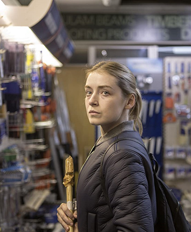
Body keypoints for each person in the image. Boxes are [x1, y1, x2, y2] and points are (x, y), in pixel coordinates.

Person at [57, 61, 157, 232]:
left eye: (105, 92)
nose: (92, 101)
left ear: (129, 101)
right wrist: (79, 215)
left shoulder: (122, 155)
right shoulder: (111, 143)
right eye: (88, 92)